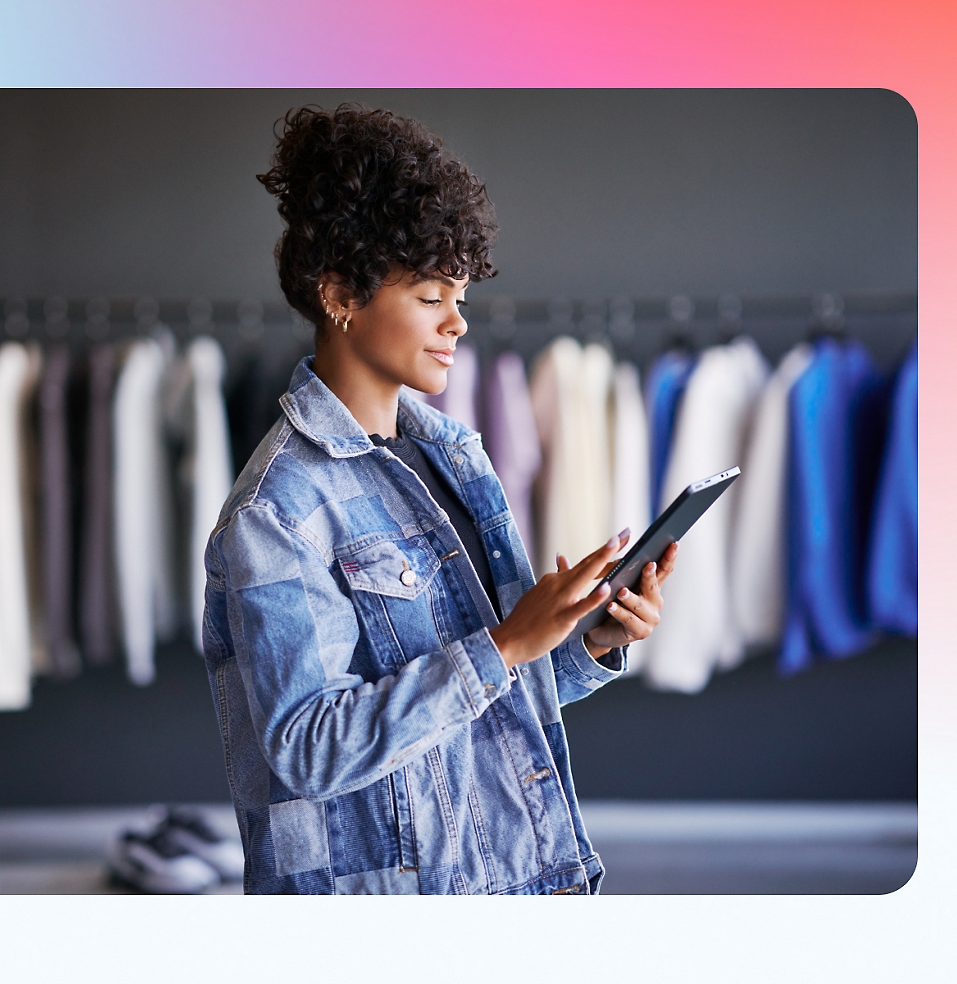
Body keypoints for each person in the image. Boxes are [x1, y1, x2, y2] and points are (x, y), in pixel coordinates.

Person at [201, 104, 677, 895]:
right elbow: (309, 746)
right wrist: (506, 645)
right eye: (430, 296)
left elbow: (487, 700)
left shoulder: (452, 455)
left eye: (459, 294)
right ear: (339, 296)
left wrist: (585, 641)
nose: (457, 322)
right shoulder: (275, 512)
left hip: (508, 877)